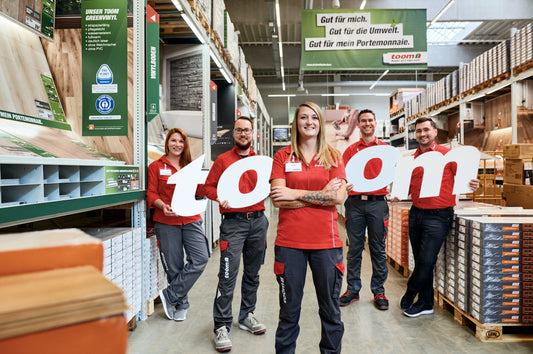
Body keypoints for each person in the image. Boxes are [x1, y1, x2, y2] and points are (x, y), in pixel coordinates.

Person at [270, 102, 347, 354]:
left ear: (320, 123)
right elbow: (278, 199)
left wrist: (295, 192)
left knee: (330, 311)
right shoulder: (282, 156)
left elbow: (337, 198)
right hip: (289, 245)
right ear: (296, 123)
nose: (309, 121)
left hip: (327, 244)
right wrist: (319, 194)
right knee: (289, 312)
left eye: (314, 117)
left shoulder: (333, 157)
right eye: (303, 117)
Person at [392, 117, 479, 317]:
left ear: (435, 132)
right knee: (422, 260)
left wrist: (474, 183)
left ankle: (410, 292)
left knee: (426, 260)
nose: (422, 134)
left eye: (426, 130)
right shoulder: (410, 159)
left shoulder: (447, 156)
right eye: (419, 131)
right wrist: (397, 194)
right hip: (416, 213)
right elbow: (404, 186)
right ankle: (426, 303)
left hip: (439, 216)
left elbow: (467, 180)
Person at [203, 117, 269, 352]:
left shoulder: (261, 162)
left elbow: (273, 184)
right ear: (233, 133)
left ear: (253, 133)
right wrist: (219, 196)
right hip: (233, 224)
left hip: (259, 222)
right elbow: (207, 187)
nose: (243, 134)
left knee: (253, 273)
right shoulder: (222, 160)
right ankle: (221, 325)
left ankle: (247, 315)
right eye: (239, 130)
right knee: (227, 275)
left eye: (247, 130)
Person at [147, 128, 210, 322]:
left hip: (190, 219)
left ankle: (170, 295)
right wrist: (161, 205)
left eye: (181, 141)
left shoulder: (190, 166)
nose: (177, 144)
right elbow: (151, 193)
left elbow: (200, 189)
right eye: (173, 140)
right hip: (166, 222)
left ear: (185, 144)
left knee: (201, 258)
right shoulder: (156, 166)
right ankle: (181, 304)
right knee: (174, 266)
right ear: (167, 143)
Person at [339, 109, 390, 310]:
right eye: (363, 121)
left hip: (378, 203)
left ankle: (379, 291)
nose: (367, 123)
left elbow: (394, 173)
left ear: (375, 123)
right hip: (355, 204)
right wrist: (345, 184)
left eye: (370, 120)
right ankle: (353, 290)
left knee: (378, 248)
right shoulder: (351, 151)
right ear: (358, 125)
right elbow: (342, 175)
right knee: (354, 248)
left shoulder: (385, 149)